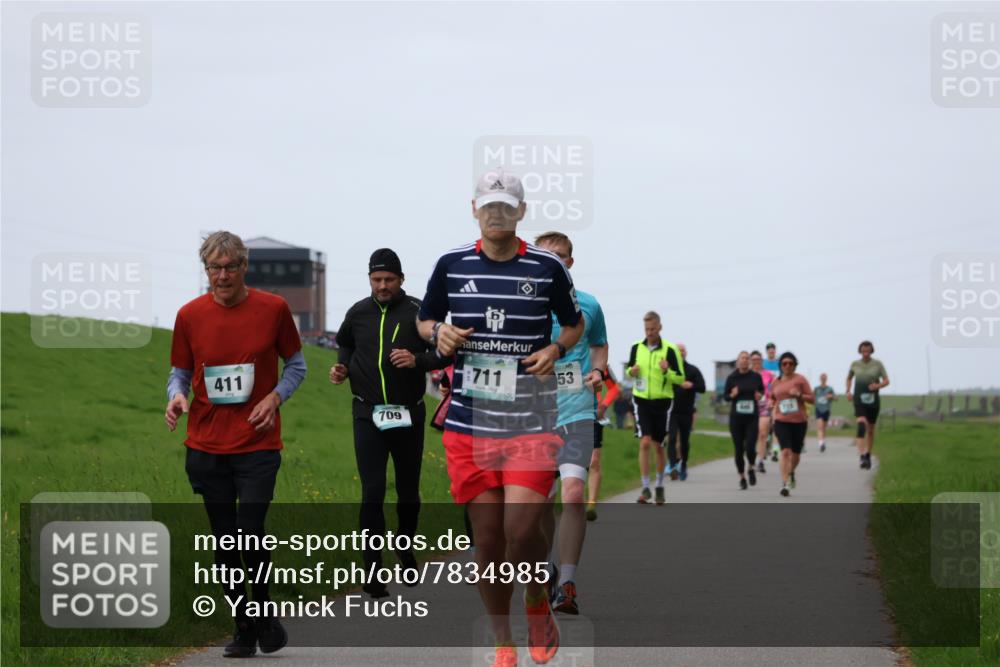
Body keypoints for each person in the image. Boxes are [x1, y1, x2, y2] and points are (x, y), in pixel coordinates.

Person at [416, 170, 584, 667]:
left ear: (520, 211)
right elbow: (425, 318)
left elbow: (573, 325)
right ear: (474, 209)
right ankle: (502, 638)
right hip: (469, 425)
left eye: (505, 206)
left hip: (531, 422)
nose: (496, 213)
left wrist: (555, 347)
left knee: (521, 527)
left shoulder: (548, 267)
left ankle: (536, 598)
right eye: (488, 205)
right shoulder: (451, 264)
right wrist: (437, 334)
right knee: (487, 540)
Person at [165, 231, 305, 658]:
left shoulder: (274, 309)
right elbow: (180, 372)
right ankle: (246, 626)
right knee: (225, 541)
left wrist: (275, 396)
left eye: (230, 267)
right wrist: (176, 396)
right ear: (205, 270)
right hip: (206, 446)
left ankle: (261, 613)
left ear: (245, 267)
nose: (222, 275)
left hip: (258, 445)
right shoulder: (189, 315)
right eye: (214, 268)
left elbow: (296, 365)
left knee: (249, 531)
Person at [329, 248, 451, 598]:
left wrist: (417, 360)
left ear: (401, 279)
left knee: (408, 490)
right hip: (367, 412)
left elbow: (444, 353)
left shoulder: (417, 312)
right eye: (377, 279)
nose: (382, 285)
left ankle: (405, 546)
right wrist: (341, 367)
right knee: (372, 491)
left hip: (408, 412)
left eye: (389, 279)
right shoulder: (358, 312)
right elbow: (344, 345)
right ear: (369, 279)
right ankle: (372, 569)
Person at [534, 231, 609, 616]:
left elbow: (598, 344)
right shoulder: (524, 304)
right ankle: (545, 566)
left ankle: (567, 582)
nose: (557, 262)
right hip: (532, 416)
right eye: (549, 257)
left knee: (574, 493)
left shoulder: (590, 305)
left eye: (562, 257)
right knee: (541, 502)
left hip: (577, 410)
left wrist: (597, 370)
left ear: (571, 262)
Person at [627, 311, 685, 505]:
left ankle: (659, 486)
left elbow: (680, 378)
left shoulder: (670, 350)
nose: (649, 332)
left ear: (660, 327)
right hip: (641, 399)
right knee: (644, 442)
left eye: (652, 329)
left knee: (658, 446)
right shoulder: (636, 348)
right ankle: (645, 487)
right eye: (646, 329)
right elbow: (629, 370)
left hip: (662, 402)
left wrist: (666, 370)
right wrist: (631, 371)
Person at [770, 352, 815, 496]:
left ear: (795, 365)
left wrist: (800, 395)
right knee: (785, 452)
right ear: (780, 366)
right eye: (784, 363)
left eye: (790, 363)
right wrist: (771, 403)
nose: (787, 365)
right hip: (781, 421)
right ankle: (785, 484)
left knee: (795, 454)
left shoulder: (800, 379)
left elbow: (812, 399)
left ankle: (791, 472)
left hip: (799, 422)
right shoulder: (776, 382)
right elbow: (773, 397)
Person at [723, 351, 764, 490]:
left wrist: (759, 396)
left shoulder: (756, 377)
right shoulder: (732, 377)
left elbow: (761, 392)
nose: (745, 360)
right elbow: (725, 397)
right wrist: (732, 395)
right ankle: (742, 477)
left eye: (747, 358)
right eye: (743, 358)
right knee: (739, 449)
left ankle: (751, 467)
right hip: (736, 418)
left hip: (752, 417)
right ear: (738, 361)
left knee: (751, 447)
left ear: (750, 362)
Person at [846, 341, 890, 470]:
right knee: (861, 424)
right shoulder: (855, 364)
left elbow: (887, 380)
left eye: (868, 350)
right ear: (860, 351)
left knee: (870, 430)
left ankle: (868, 455)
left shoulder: (878, 364)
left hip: (873, 400)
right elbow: (849, 378)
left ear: (871, 351)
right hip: (858, 398)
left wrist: (878, 385)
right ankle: (861, 456)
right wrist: (848, 390)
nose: (865, 353)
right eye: (863, 350)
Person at [666, 343, 705, 481]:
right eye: (678, 350)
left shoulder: (693, 370)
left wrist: (692, 385)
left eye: (683, 350)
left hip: (687, 411)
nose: (681, 352)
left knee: (684, 441)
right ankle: (672, 466)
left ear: (686, 353)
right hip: (671, 411)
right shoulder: (669, 370)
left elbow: (703, 388)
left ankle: (683, 464)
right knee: (671, 438)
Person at [586, 369, 620, 521]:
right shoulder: (563, 357)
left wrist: (604, 405)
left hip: (593, 415)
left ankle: (591, 503)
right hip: (568, 416)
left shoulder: (600, 364)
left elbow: (614, 388)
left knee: (594, 461)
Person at [750, 351, 776, 473]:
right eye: (753, 359)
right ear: (750, 361)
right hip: (749, 406)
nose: (756, 362)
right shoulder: (746, 374)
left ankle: (760, 461)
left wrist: (772, 399)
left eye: (758, 359)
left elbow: (774, 389)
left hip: (764, 405)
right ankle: (752, 458)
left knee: (762, 433)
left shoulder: (769, 374)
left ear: (762, 360)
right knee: (752, 435)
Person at [813, 373, 836, 452]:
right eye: (822, 377)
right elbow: (812, 397)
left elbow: (836, 398)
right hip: (818, 409)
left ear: (826, 379)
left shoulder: (830, 389)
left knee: (824, 428)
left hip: (826, 409)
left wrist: (831, 396)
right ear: (820, 379)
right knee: (820, 426)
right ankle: (821, 444)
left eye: (824, 377)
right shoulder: (816, 388)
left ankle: (823, 440)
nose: (823, 379)